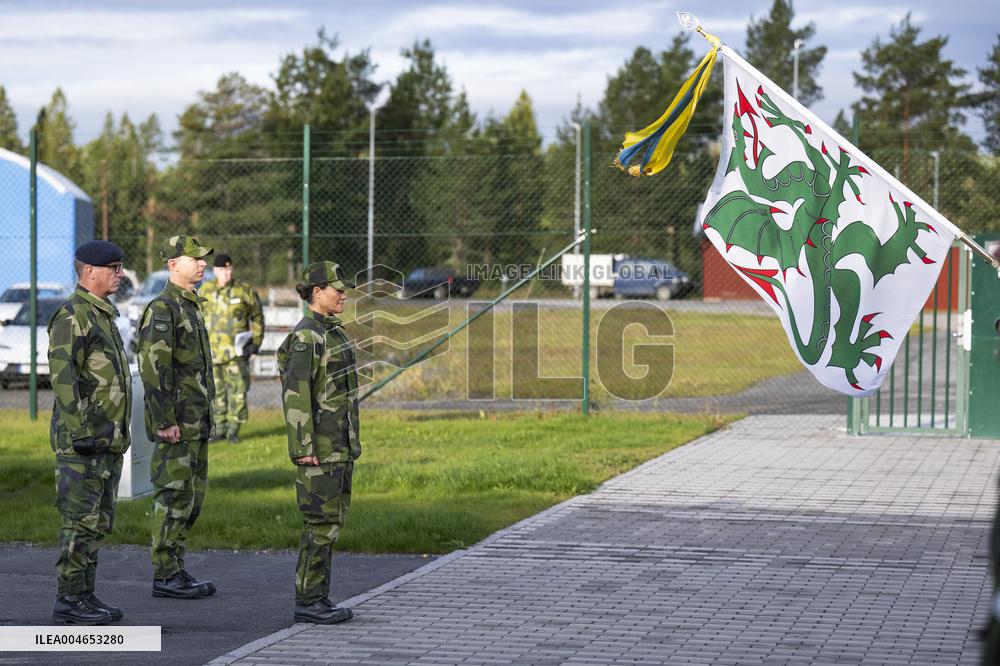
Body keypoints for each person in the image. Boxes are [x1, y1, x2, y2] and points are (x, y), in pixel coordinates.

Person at [48, 240, 132, 625]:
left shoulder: (102, 314)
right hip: (81, 442)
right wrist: (80, 430)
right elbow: (63, 378)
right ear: (90, 272)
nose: (120, 274)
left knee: (98, 522)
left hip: (105, 439)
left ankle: (84, 594)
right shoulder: (73, 316)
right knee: (79, 521)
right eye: (114, 268)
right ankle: (69, 599)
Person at [277, 261, 360, 624]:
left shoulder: (332, 332)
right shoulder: (306, 337)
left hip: (338, 446)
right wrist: (304, 448)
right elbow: (297, 396)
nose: (343, 294)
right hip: (319, 450)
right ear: (316, 293)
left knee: (331, 523)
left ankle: (319, 596)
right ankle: (308, 599)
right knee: (319, 524)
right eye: (335, 288)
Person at [137, 235, 217, 599]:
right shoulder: (164, 309)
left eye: (203, 259)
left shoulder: (190, 306)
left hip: (195, 422)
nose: (202, 264)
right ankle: (165, 573)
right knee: (172, 496)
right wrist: (163, 420)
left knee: (191, 499)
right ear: (173, 264)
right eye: (194, 258)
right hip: (177, 424)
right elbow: (154, 370)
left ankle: (176, 567)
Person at [200, 253, 264, 444]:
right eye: (222, 270)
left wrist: (256, 343)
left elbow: (258, 316)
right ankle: (219, 428)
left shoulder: (244, 290)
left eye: (229, 269)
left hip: (237, 352)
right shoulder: (205, 291)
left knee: (238, 391)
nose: (226, 273)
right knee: (216, 392)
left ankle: (234, 430)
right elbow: (198, 318)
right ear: (215, 271)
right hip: (213, 352)